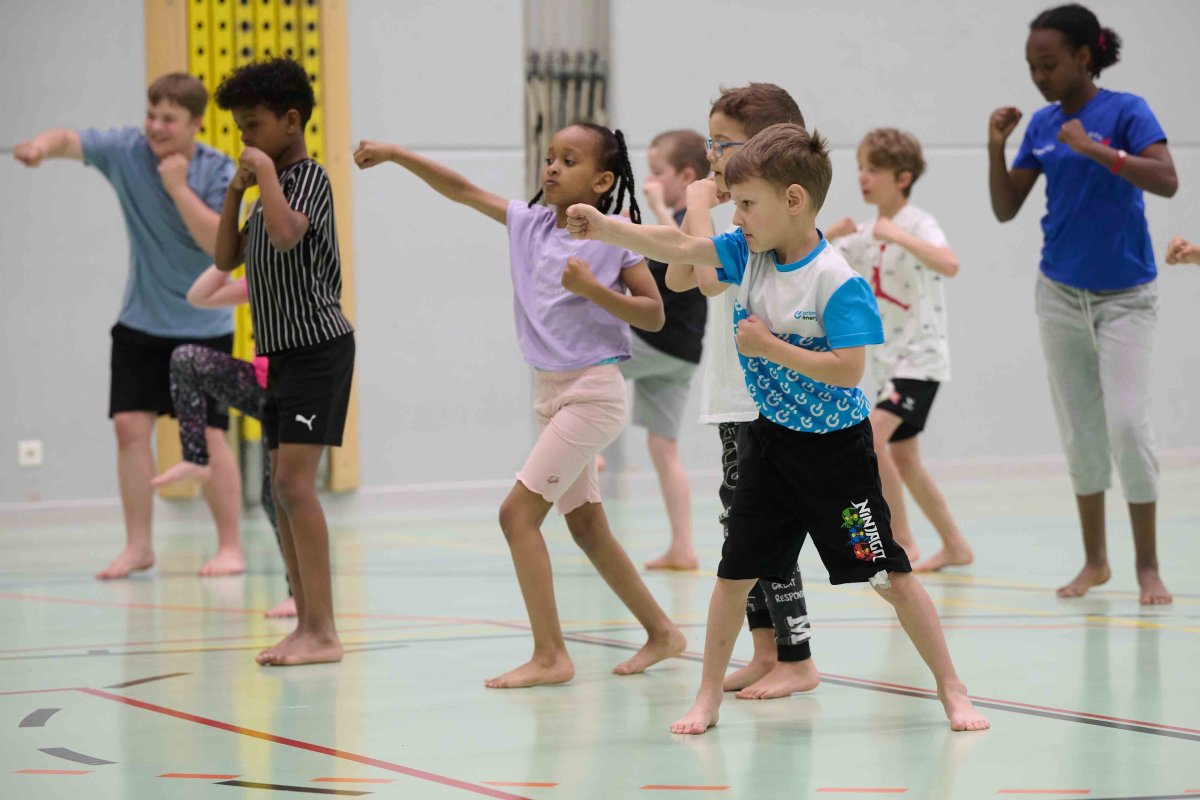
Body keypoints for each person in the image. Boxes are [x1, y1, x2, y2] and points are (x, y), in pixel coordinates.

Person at [568, 122, 990, 734]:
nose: (736, 217)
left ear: (793, 199)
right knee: (731, 577)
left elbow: (848, 370)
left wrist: (770, 347)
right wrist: (607, 229)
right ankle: (707, 696)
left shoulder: (835, 281)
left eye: (746, 204)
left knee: (888, 575)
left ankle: (952, 687)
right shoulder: (748, 253)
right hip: (768, 449)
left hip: (836, 461)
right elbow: (680, 246)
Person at [353, 121, 686, 688]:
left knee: (516, 515)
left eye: (570, 160)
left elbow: (654, 314)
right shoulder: (528, 224)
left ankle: (551, 655)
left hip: (592, 392)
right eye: (550, 157)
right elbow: (461, 189)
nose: (552, 167)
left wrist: (594, 291)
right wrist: (397, 154)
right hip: (549, 392)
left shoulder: (615, 234)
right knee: (586, 526)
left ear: (603, 181)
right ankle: (662, 632)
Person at [12, 73, 245, 580]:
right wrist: (39, 147)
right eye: (151, 115)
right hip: (140, 321)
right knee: (128, 427)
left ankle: (231, 547)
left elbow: (219, 247)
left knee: (206, 435)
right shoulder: (127, 151)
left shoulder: (219, 171)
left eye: (169, 119)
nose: (156, 127)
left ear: (195, 124)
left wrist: (177, 187)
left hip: (203, 326)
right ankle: (139, 546)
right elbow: (69, 140)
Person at [987, 3, 1178, 604]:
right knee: (1081, 432)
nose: (1039, 76)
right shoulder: (1043, 125)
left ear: (1082, 56)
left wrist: (1096, 149)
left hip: (1126, 297)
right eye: (1031, 66)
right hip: (1059, 295)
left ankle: (1148, 566)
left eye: (1048, 64)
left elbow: (1167, 180)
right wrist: (996, 147)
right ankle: (1096, 562)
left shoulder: (1126, 111)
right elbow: (1006, 208)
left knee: (1127, 426)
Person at [669, 84, 819, 700]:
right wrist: (698, 211)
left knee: (762, 526)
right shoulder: (736, 218)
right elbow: (680, 275)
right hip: (735, 394)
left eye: (722, 143)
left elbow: (706, 282)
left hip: (767, 399)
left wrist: (697, 205)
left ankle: (798, 656)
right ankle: (766, 649)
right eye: (709, 142)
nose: (710, 155)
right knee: (739, 520)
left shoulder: (771, 220)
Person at [215, 58, 356, 664]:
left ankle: (322, 632)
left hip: (318, 350)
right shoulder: (265, 193)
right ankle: (305, 624)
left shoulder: (308, 179)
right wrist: (234, 192)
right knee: (280, 489)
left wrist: (266, 174)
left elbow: (284, 235)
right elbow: (226, 257)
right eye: (240, 128)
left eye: (252, 125)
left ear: (291, 122)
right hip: (283, 354)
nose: (245, 138)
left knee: (296, 486)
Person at [826, 128, 971, 572]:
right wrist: (832, 232)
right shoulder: (866, 234)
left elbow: (949, 263)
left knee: (870, 437)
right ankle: (956, 546)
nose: (863, 177)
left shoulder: (916, 223)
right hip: (890, 365)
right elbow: (816, 260)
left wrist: (898, 236)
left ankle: (902, 540)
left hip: (921, 360)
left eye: (873, 169)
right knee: (905, 458)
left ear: (902, 178)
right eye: (860, 168)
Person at [152, 266, 295, 618]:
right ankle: (196, 457)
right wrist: (226, 260)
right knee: (187, 359)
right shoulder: (258, 279)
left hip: (295, 393)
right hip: (260, 386)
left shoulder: (297, 276)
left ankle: (298, 593)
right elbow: (198, 296)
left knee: (275, 496)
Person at [619, 129, 709, 571]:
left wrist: (653, 209)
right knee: (663, 447)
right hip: (680, 355)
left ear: (686, 176)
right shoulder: (672, 218)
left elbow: (681, 252)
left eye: (658, 172)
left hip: (659, 341)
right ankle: (683, 548)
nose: (651, 180)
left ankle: (588, 450)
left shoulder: (691, 218)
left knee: (585, 364)